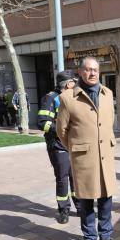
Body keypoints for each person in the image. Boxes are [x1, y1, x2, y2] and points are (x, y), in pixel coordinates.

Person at [56, 57, 119, 240]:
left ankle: (105, 236)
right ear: (80, 72)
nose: (92, 73)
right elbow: (61, 130)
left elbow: (110, 121)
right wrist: (76, 147)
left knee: (106, 199)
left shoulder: (108, 93)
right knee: (86, 200)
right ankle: (89, 237)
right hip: (84, 158)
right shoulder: (68, 98)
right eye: (88, 69)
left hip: (105, 154)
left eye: (95, 70)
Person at [38, 71, 79, 224]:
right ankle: (64, 210)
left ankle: (81, 207)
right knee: (62, 179)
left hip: (73, 145)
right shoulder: (51, 98)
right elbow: (42, 122)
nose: (76, 85)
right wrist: (62, 129)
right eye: (74, 82)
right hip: (58, 145)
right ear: (68, 84)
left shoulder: (73, 97)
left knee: (76, 178)